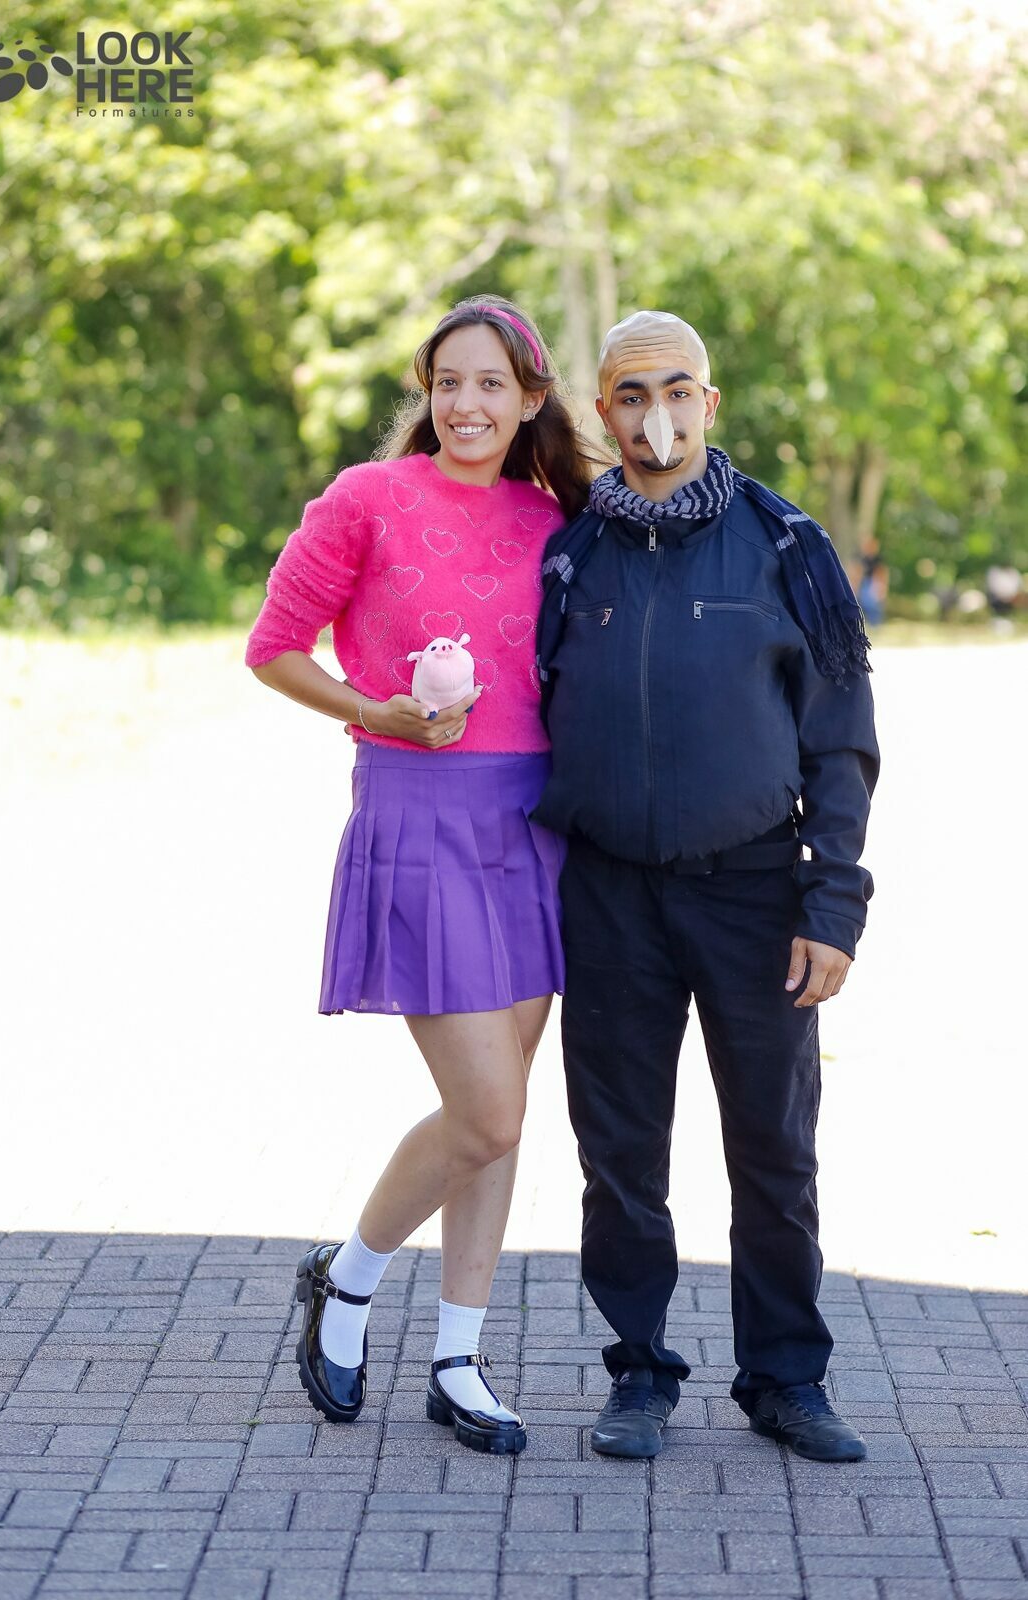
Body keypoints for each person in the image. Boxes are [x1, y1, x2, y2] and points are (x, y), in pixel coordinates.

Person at [245, 296, 598, 1457]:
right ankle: (346, 1277)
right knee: (486, 1108)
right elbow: (273, 647)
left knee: (500, 1118)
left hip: (531, 827)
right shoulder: (365, 498)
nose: (465, 404)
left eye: (491, 383)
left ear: (530, 399)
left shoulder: (554, 520)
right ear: (426, 391)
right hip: (416, 818)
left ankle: (456, 1358)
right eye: (448, 382)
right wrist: (376, 711)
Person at [533, 311, 880, 1463]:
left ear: (708, 402)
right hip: (607, 895)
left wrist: (832, 906)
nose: (655, 414)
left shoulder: (787, 545)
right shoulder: (569, 552)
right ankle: (638, 1371)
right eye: (630, 395)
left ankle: (785, 1378)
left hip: (754, 896)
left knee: (773, 1152)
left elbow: (841, 742)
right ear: (602, 411)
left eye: (675, 389)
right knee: (618, 1152)